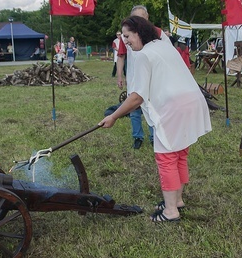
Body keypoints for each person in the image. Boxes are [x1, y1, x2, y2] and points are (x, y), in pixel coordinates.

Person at [99, 15, 211, 223]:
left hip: (174, 109)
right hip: (191, 102)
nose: (125, 41)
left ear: (140, 33)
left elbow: (137, 96)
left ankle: (170, 212)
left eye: (128, 36)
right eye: (123, 37)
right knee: (180, 153)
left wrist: (113, 116)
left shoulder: (144, 55)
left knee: (166, 158)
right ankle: (176, 200)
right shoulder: (164, 45)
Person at [116, 5, 172, 149]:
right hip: (134, 80)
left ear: (147, 19)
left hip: (154, 81)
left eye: (142, 18)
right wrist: (119, 75)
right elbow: (121, 56)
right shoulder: (126, 35)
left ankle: (155, 137)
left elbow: (168, 56)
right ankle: (137, 137)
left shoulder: (158, 33)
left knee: (153, 109)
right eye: (136, 18)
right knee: (134, 110)